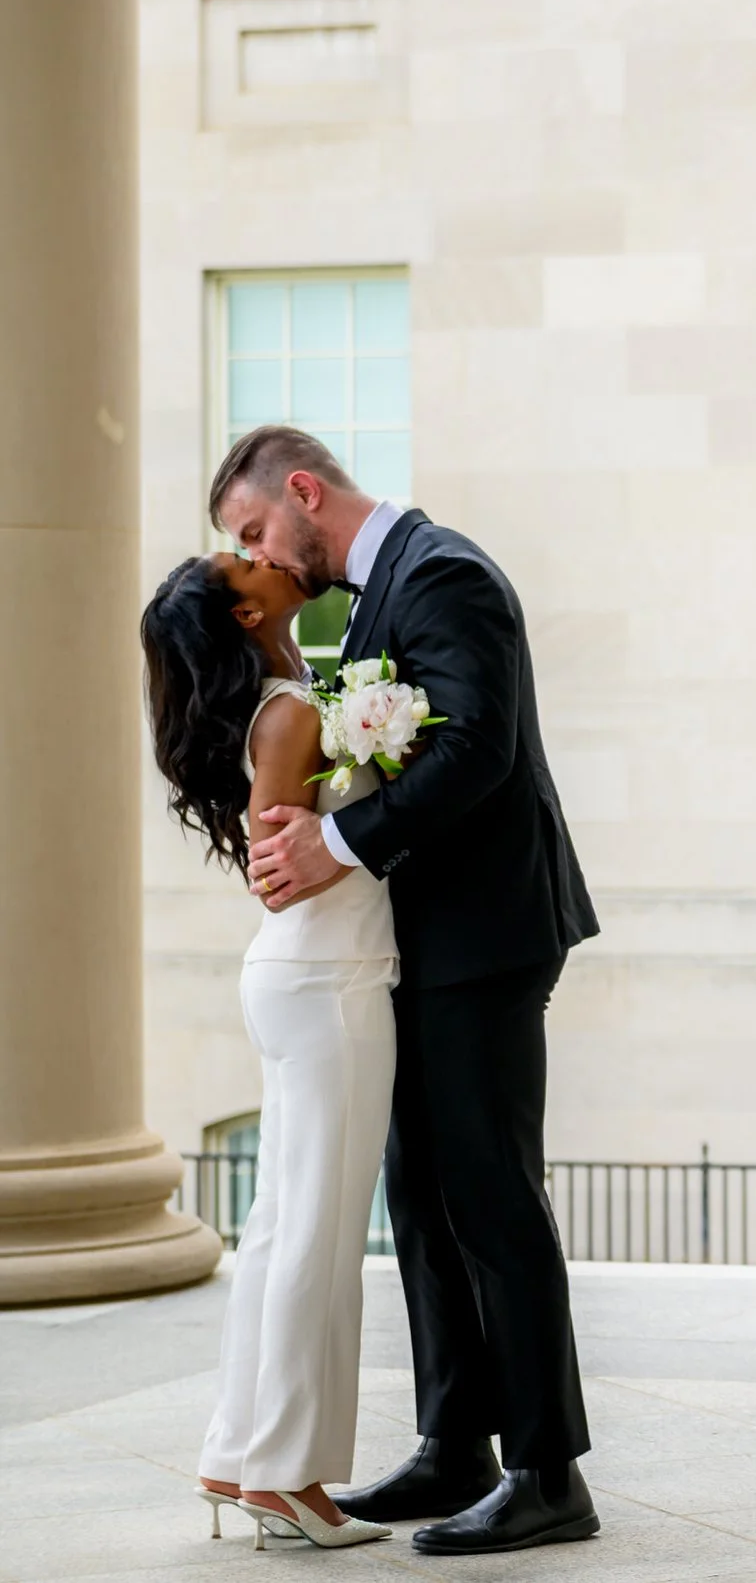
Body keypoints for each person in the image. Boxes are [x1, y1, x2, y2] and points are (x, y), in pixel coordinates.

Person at [212, 425, 603, 1556]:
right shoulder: (373, 597)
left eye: (252, 532)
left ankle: (547, 1470)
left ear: (301, 491)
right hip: (420, 946)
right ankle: (453, 1444)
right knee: (422, 1199)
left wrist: (338, 840)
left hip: (486, 938)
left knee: (489, 1197)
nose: (259, 560)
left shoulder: (444, 573)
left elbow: (475, 745)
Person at [142, 549, 397, 1551]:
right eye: (243, 557)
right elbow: (277, 866)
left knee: (283, 1219)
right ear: (246, 609)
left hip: (305, 982)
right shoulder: (290, 710)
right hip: (326, 983)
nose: (265, 554)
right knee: (317, 1235)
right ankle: (289, 1473)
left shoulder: (287, 700)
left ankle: (237, 1450)